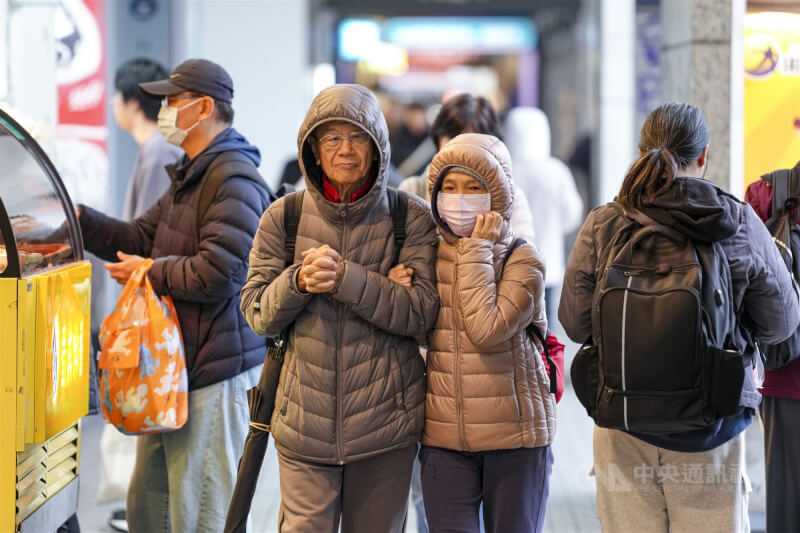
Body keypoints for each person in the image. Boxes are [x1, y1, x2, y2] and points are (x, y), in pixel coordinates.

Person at [559, 102, 800, 532]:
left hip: (622, 424)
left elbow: (575, 323)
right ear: (703, 156)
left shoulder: (606, 223)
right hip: (711, 426)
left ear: (641, 151)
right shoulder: (736, 222)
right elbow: (782, 321)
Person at [77, 58, 272, 532]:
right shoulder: (190, 172)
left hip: (212, 371)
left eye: (171, 102)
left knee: (201, 512)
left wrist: (152, 272)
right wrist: (78, 218)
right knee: (154, 510)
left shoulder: (234, 178)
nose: (162, 110)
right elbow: (142, 238)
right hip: (175, 372)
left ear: (204, 107)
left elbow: (224, 272)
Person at [240, 83, 439, 532]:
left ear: (378, 146)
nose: (345, 149)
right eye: (331, 138)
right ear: (312, 147)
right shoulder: (284, 217)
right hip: (302, 426)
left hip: (386, 425)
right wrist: (297, 281)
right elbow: (255, 313)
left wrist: (349, 279)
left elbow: (422, 312)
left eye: (358, 137)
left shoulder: (410, 218)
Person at [401, 133, 554, 533]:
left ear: (498, 195)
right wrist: (399, 287)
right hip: (444, 441)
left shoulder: (524, 259)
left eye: (474, 187)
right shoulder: (426, 253)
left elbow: (486, 329)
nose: (459, 198)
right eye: (448, 187)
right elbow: (415, 331)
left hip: (515, 439)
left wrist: (476, 249)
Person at [399, 93, 536, 245]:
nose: (462, 147)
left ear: (493, 145)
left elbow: (524, 256)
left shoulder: (511, 198)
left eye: (473, 140)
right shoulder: (413, 190)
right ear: (438, 140)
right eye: (454, 137)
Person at [744, 166, 800, 532]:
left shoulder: (768, 193)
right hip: (785, 380)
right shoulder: (764, 193)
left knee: (786, 505)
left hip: (785, 375)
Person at [505, 107, 583, 326]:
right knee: (544, 327)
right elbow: (572, 215)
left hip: (508, 264)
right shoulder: (556, 171)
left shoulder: (505, 170)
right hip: (547, 263)